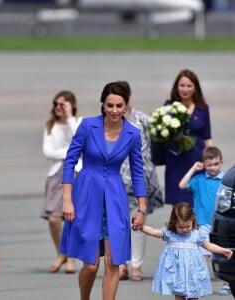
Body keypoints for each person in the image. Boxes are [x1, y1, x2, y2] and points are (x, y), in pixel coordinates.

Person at [60, 81, 147, 300]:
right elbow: (70, 162)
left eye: (119, 105)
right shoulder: (88, 126)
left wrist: (141, 209)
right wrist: (67, 199)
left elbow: (138, 172)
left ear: (126, 106)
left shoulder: (133, 134)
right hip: (87, 194)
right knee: (90, 265)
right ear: (103, 105)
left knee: (113, 260)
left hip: (115, 198)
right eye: (110, 105)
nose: (115, 110)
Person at [139, 202, 233, 300]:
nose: (184, 230)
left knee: (194, 296)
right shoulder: (171, 234)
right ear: (174, 223)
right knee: (179, 296)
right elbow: (154, 232)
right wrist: (141, 227)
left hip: (193, 273)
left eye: (188, 226)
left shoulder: (196, 234)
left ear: (193, 221)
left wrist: (222, 250)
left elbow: (208, 245)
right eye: (180, 227)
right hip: (177, 273)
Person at [119, 81, 164, 281]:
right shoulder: (109, 120)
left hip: (141, 179)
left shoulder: (142, 119)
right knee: (119, 224)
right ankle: (121, 264)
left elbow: (159, 138)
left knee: (137, 223)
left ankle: (136, 265)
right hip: (117, 179)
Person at [179, 146, 230, 295]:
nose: (213, 168)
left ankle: (227, 282)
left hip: (222, 224)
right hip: (204, 224)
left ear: (221, 162)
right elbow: (181, 185)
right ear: (204, 164)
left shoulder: (225, 180)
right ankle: (196, 281)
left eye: (216, 164)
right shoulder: (199, 180)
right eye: (209, 165)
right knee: (203, 254)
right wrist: (194, 169)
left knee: (225, 252)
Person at [41, 90, 82, 274]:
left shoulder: (79, 123)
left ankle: (71, 257)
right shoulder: (50, 125)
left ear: (71, 105)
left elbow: (81, 141)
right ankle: (61, 252)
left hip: (76, 172)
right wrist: (69, 153)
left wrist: (70, 117)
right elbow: (47, 152)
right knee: (54, 218)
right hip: (56, 173)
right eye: (56, 104)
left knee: (72, 217)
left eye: (62, 104)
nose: (58, 108)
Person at [163, 69, 213, 207]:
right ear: (176, 87)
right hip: (176, 160)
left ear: (195, 88)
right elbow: (162, 134)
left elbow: (207, 137)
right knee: (178, 202)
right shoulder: (168, 107)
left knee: (197, 201)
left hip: (197, 160)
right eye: (182, 85)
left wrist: (211, 159)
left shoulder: (202, 108)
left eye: (189, 86)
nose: (185, 90)